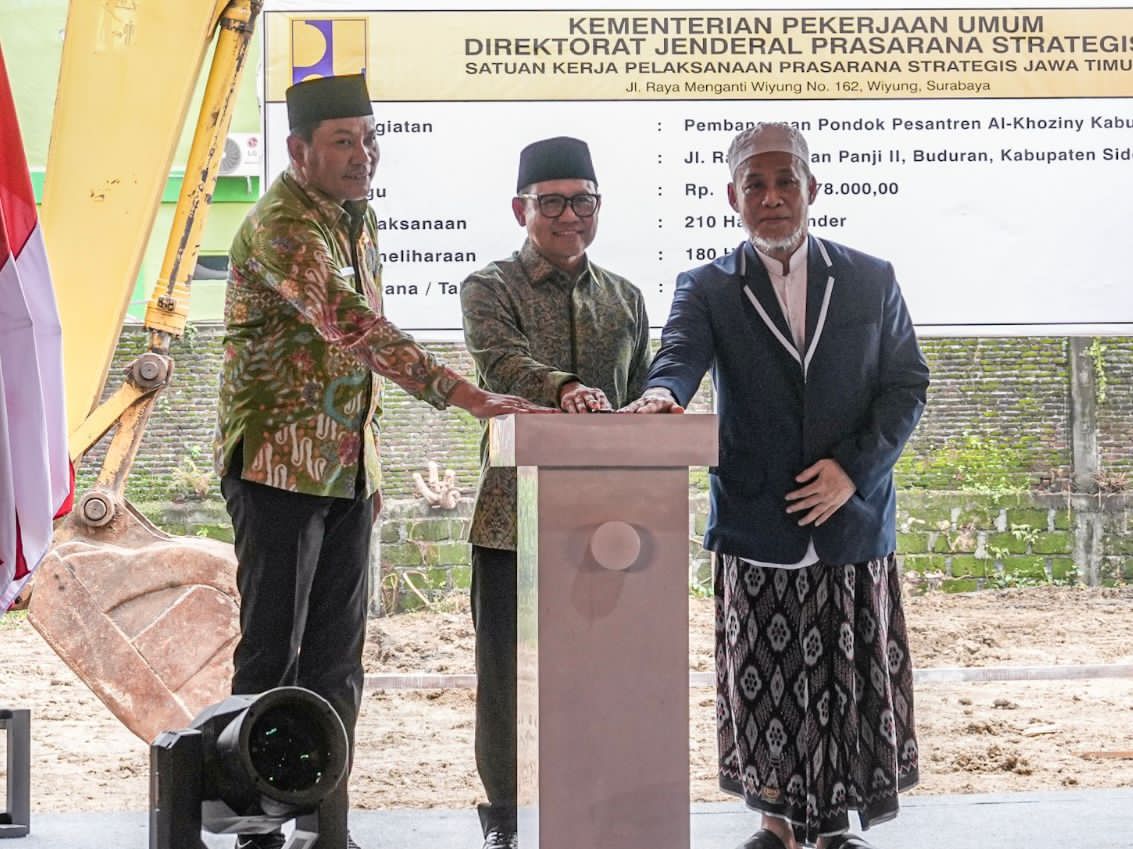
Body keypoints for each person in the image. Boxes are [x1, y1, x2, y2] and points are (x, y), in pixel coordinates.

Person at [213, 73, 544, 849]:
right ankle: (258, 828)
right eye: (343, 141)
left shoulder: (355, 220)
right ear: (298, 150)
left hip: (347, 472)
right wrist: (462, 392)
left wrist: (372, 469)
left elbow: (354, 368)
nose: (363, 154)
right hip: (277, 469)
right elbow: (353, 326)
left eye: (370, 138)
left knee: (338, 659)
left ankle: (325, 823)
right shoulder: (282, 225)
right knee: (272, 653)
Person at [623, 122, 929, 849]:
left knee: (847, 676)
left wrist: (853, 470)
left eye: (784, 181)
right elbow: (677, 355)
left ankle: (833, 828)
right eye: (754, 184)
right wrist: (661, 395)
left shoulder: (871, 277)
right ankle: (775, 822)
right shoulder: (706, 286)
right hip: (757, 517)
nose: (770, 197)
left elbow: (906, 384)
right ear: (732, 197)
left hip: (851, 515)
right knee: (763, 673)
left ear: (811, 188)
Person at [459, 136, 652, 849]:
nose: (569, 216)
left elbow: (643, 390)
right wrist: (564, 387)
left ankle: (599, 803)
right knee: (506, 675)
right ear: (522, 209)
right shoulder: (489, 287)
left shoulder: (626, 298)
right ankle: (507, 817)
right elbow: (500, 363)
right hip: (512, 517)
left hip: (608, 522)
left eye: (582, 201)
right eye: (552, 203)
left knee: (604, 670)